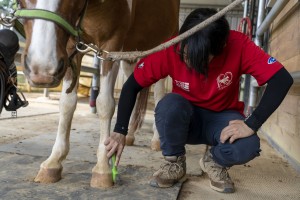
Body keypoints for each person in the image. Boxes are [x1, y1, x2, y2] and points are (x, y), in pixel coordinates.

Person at [104, 8, 293, 193]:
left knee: (248, 146)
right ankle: (175, 163)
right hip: (185, 120)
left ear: (220, 49)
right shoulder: (173, 47)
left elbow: (282, 79)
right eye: (186, 55)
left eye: (198, 59)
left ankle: (215, 162)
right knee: (169, 105)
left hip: (222, 120)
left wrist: (252, 123)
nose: (188, 62)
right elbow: (131, 85)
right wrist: (120, 130)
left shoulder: (238, 45)